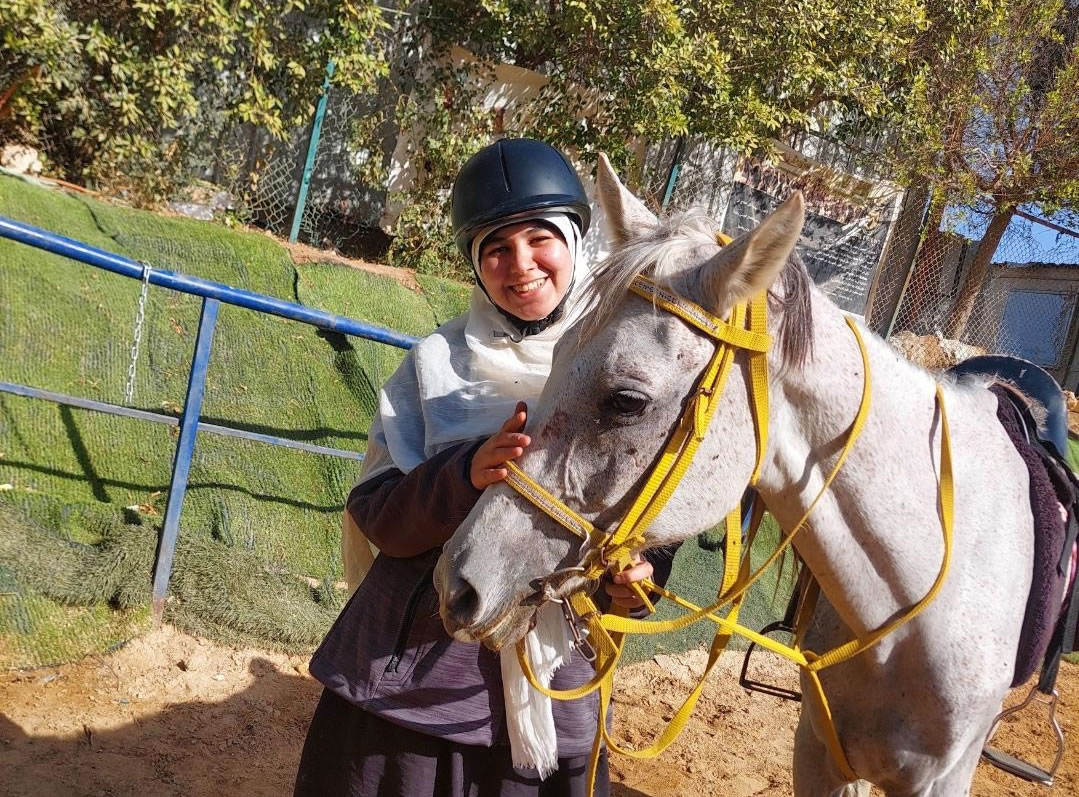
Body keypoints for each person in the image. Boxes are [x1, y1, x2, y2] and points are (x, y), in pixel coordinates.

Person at [293, 138, 672, 797]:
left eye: (539, 238)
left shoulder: (626, 372)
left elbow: (650, 512)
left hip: (556, 685)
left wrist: (637, 579)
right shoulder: (436, 366)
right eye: (495, 247)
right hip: (415, 679)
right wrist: (464, 472)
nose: (520, 264)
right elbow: (379, 517)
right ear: (474, 263)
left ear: (574, 241)